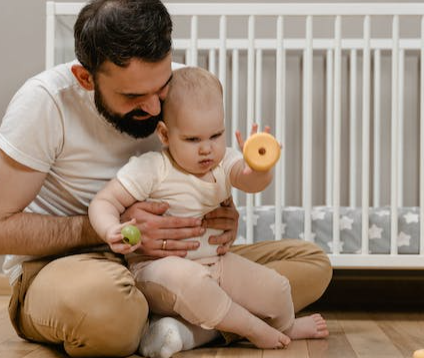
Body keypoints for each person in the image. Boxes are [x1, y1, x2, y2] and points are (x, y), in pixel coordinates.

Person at [0, 0, 332, 357]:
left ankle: (179, 329)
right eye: (133, 96)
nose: (156, 109)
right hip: (72, 267)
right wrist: (109, 229)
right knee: (107, 310)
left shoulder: (183, 87)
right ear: (86, 78)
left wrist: (225, 211)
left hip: (184, 262)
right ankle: (206, 320)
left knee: (313, 264)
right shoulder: (45, 103)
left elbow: (212, 166)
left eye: (161, 87)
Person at [89, 66, 330, 357]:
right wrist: (109, 228)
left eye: (216, 135)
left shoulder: (224, 161)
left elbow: (249, 180)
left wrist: (260, 168)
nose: (207, 149)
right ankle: (251, 328)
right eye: (193, 140)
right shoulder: (152, 168)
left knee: (277, 288)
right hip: (157, 270)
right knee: (189, 282)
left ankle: (284, 325)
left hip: (217, 264)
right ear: (165, 135)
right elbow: (104, 202)